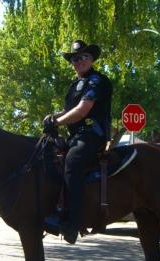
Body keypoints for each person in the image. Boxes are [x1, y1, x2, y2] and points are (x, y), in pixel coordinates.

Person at [43, 39, 113, 244]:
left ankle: (73, 223)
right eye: (75, 58)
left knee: (72, 161)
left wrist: (57, 121)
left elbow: (82, 110)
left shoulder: (97, 81)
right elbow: (68, 111)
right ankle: (56, 208)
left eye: (83, 57)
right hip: (76, 135)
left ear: (91, 59)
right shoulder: (76, 84)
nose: (79, 61)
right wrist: (52, 117)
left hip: (93, 135)